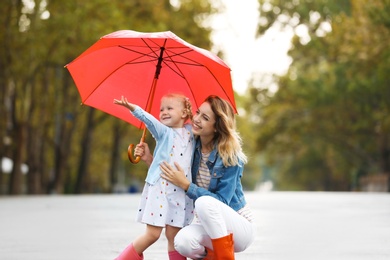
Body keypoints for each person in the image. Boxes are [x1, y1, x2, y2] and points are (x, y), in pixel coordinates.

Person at [135, 95, 255, 260]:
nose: (196, 119)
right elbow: (171, 175)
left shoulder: (231, 157)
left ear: (216, 127)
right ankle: (212, 257)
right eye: (198, 112)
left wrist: (186, 185)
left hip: (238, 227)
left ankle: (225, 258)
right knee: (182, 241)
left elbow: (221, 202)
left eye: (205, 118)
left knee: (204, 202)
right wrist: (149, 159)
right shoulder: (191, 144)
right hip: (207, 223)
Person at [113, 93, 195, 260]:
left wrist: (149, 158)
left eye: (169, 108)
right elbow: (150, 120)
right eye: (161, 109)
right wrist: (133, 108)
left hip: (180, 191)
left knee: (175, 235)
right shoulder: (164, 132)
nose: (163, 112)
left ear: (184, 113)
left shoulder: (191, 133)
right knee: (152, 234)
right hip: (161, 189)